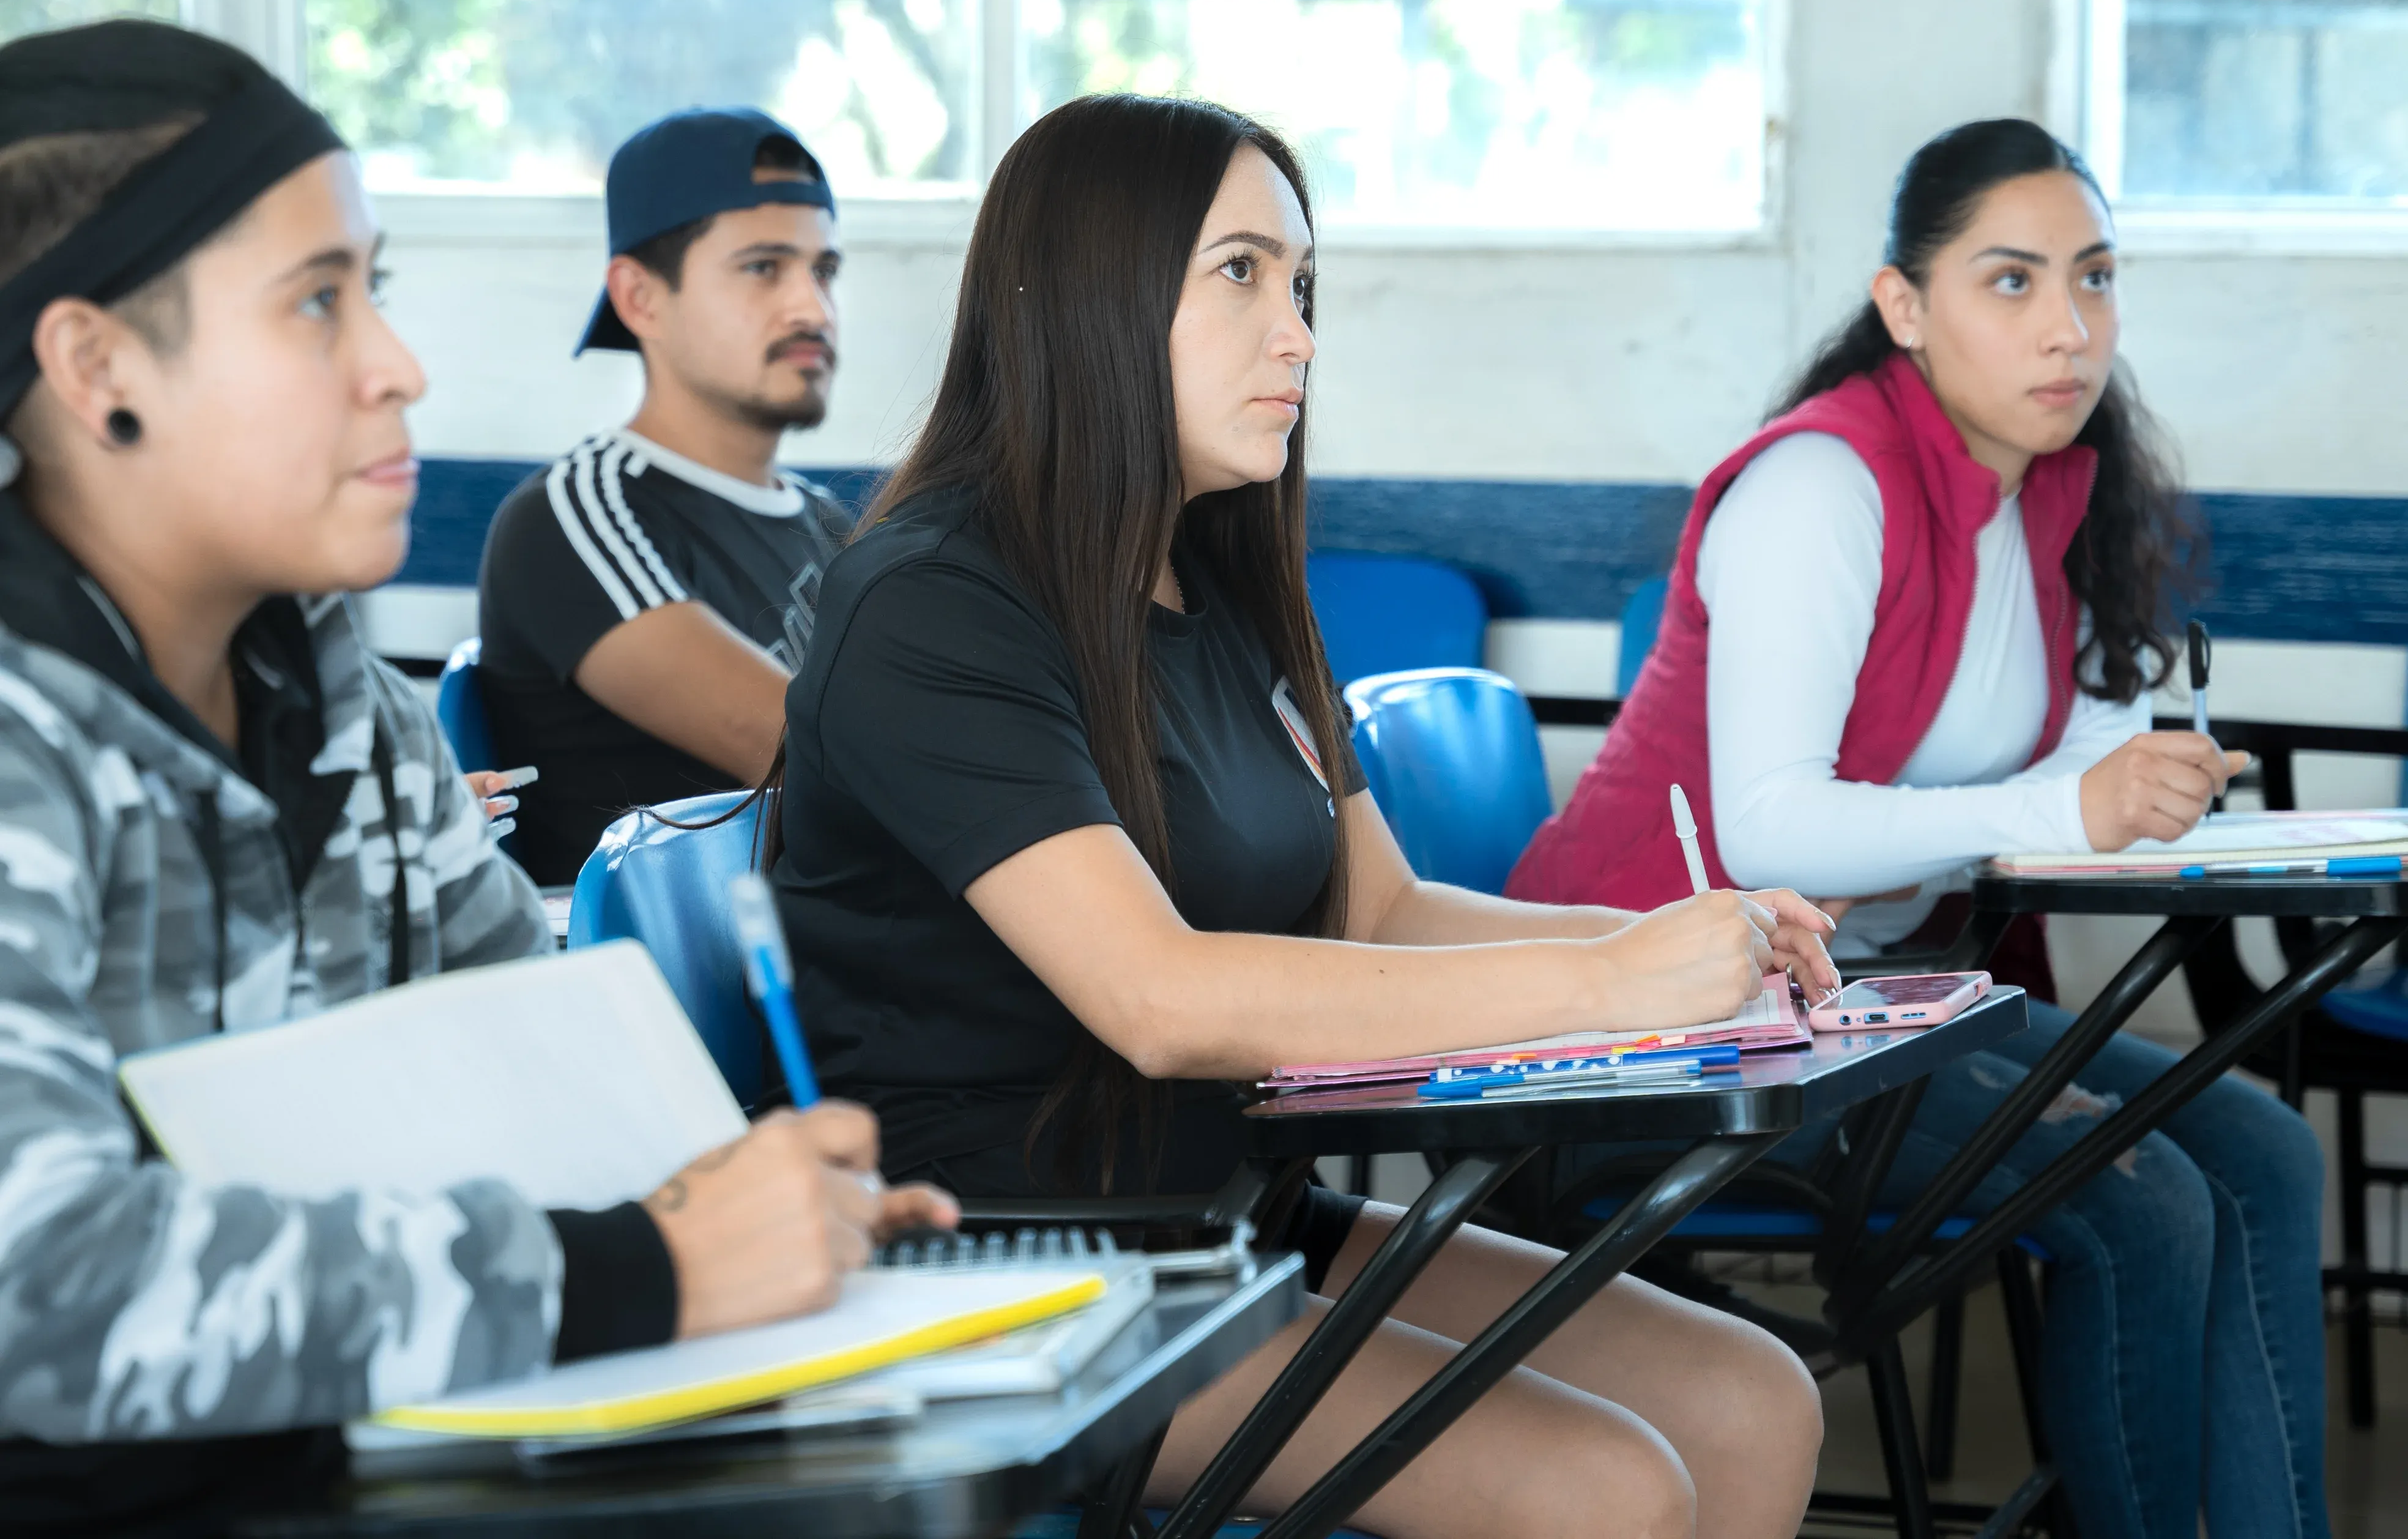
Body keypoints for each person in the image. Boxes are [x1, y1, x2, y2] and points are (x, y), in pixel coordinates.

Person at [769, 93, 1833, 1539]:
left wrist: (1675, 944)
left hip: (1229, 1221)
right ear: (1085, 294)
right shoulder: (926, 603)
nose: (1299, 335)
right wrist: (1604, 987)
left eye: (1303, 284)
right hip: (1010, 1268)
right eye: (1241, 274)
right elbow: (1157, 995)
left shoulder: (1220, 580)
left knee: (1755, 1396)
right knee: (1606, 1489)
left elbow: (1381, 905)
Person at [0, 22, 952, 1537]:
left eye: (374, 290)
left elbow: (541, 1046)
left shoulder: (332, 696)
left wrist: (758, 1201)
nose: (399, 367)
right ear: (96, 365)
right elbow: (35, 1295)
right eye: (319, 302)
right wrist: (655, 1262)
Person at [1511, 119, 2326, 1539]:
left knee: (2262, 1149)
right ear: (1905, 307)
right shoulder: (1819, 485)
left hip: (1862, 995)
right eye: (2009, 281)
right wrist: (2070, 801)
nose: (2069, 325)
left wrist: (2123, 763)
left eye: (2094, 276)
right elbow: (1771, 822)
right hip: (1658, 1015)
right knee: (2143, 1202)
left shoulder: (2038, 490)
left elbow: (2025, 747)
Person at [477, 106, 853, 884]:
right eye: (763, 268)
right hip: (681, 990)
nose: (812, 308)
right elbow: (822, 754)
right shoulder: (573, 517)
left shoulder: (828, 522)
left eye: (824, 271)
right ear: (640, 298)